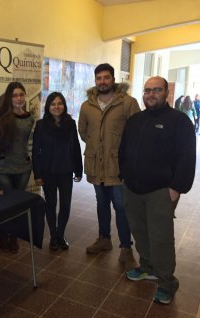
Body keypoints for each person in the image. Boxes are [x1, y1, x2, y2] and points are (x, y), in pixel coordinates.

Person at [118, 76, 196, 305]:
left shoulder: (179, 121)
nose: (150, 94)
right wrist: (123, 175)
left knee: (160, 238)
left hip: (160, 191)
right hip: (132, 188)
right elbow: (123, 150)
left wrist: (176, 188)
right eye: (147, 90)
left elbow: (186, 158)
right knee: (140, 231)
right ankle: (147, 267)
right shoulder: (135, 120)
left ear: (166, 94)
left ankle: (166, 282)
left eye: (156, 90)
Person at [78, 63, 140, 269]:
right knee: (101, 204)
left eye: (106, 77)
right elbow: (83, 132)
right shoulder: (87, 106)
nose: (102, 81)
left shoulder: (128, 103)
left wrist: (118, 151)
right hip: (97, 165)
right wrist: (98, 147)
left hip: (118, 167)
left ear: (113, 79)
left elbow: (136, 134)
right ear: (95, 81)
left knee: (121, 207)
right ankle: (104, 238)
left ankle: (126, 248)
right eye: (99, 78)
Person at [0, 82, 34, 252]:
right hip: (1, 169)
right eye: (15, 95)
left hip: (22, 169)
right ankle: (4, 236)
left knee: (17, 206)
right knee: (4, 205)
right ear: (9, 98)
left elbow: (31, 141)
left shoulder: (29, 118)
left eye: (21, 94)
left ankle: (13, 237)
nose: (19, 98)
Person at [32, 92, 83, 251]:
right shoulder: (41, 125)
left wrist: (78, 170)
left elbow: (75, 147)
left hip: (66, 170)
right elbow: (35, 151)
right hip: (48, 171)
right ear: (48, 107)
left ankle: (61, 234)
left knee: (66, 204)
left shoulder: (70, 123)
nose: (56, 107)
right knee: (51, 204)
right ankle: (53, 236)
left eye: (59, 103)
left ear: (64, 106)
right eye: (53, 104)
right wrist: (37, 174)